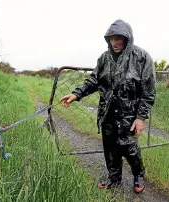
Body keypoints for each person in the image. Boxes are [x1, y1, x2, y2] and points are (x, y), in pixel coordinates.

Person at [60, 19, 156, 193]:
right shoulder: (104, 58)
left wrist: (141, 118)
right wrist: (76, 94)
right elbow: (93, 80)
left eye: (119, 38)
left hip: (129, 114)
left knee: (130, 148)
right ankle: (114, 179)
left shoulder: (141, 58)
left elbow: (148, 92)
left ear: (127, 38)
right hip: (107, 112)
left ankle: (138, 174)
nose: (115, 42)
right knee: (110, 148)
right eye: (112, 38)